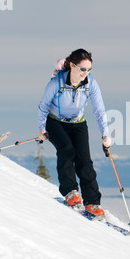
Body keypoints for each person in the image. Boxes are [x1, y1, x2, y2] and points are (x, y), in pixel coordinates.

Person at [38, 48, 111, 215]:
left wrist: (105, 135)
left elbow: (99, 110)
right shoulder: (56, 83)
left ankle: (92, 202)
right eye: (82, 69)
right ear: (72, 65)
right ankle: (71, 192)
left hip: (77, 123)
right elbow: (43, 107)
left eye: (89, 70)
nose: (85, 73)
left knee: (84, 160)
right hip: (54, 121)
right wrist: (42, 128)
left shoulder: (90, 83)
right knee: (66, 149)